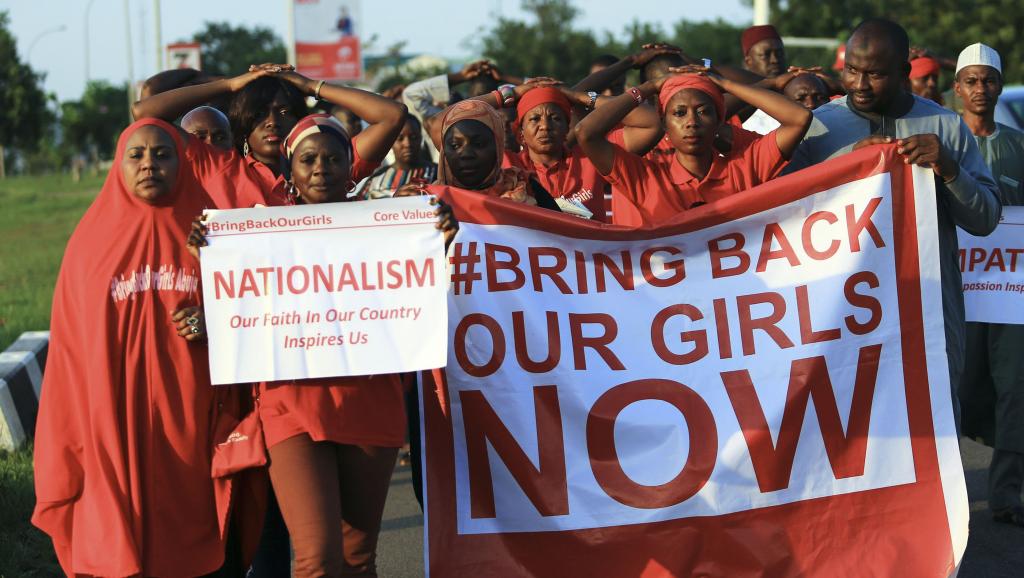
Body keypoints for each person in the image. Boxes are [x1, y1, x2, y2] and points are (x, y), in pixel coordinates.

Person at [190, 113, 455, 577]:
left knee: (357, 560)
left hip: (370, 401)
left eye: (334, 158)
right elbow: (233, 304)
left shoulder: (389, 223)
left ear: (349, 164)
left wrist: (438, 235)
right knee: (316, 558)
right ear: (289, 169)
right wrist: (206, 255)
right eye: (309, 159)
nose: (321, 168)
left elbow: (425, 288)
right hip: (289, 403)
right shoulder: (254, 233)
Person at [32, 118, 266, 577]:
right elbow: (70, 349)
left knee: (197, 535)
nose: (149, 164)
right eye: (136, 155)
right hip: (111, 417)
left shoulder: (211, 235)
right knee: (119, 535)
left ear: (182, 163)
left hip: (193, 416)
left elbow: (252, 313)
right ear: (117, 166)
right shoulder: (89, 243)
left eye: (162, 154)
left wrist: (214, 321)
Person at [785, 19, 1001, 431]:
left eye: (876, 73)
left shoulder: (945, 127)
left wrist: (948, 167)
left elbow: (986, 218)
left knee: (933, 418)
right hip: (843, 311)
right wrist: (845, 166)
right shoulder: (819, 128)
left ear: (904, 73)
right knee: (849, 422)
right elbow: (786, 211)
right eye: (852, 70)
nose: (860, 83)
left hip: (927, 304)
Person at [574, 65, 812, 225]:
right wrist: (648, 88)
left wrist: (723, 84)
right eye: (679, 113)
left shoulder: (745, 166)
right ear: (664, 124)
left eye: (703, 112)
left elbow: (799, 118)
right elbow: (586, 132)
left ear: (719, 121)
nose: (691, 122)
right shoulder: (646, 179)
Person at [952, 43, 1024, 527]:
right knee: (951, 388)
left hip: (1009, 288)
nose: (981, 89)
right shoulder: (941, 139)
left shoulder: (1019, 146)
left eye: (989, 80)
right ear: (956, 87)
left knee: (1014, 387)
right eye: (971, 81)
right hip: (953, 288)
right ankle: (948, 495)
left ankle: (1006, 494)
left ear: (999, 85)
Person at [355, 114, 438, 199]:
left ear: (420, 139)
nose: (407, 144)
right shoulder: (376, 179)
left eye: (413, 137)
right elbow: (362, 208)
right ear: (390, 141)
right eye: (400, 138)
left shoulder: (438, 173)